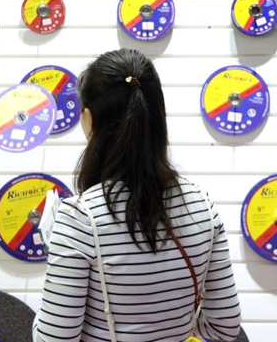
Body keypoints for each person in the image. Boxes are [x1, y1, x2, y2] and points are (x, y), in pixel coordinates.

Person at [33, 48, 241, 342]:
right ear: (158, 115)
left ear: (89, 119)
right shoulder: (203, 208)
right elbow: (225, 327)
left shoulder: (79, 219)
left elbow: (53, 339)